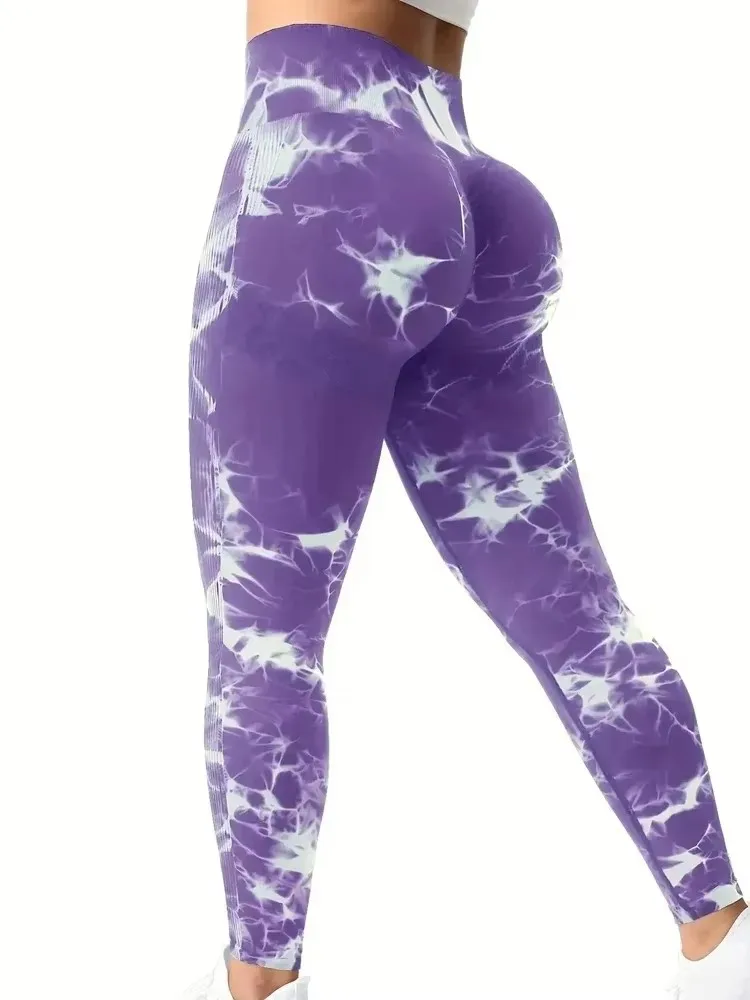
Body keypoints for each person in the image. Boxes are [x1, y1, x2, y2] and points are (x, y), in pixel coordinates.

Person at [183, 2, 748, 998]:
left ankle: (260, 984)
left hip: (317, 183)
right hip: (477, 186)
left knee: (263, 641)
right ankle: (724, 932)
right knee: (580, 619)